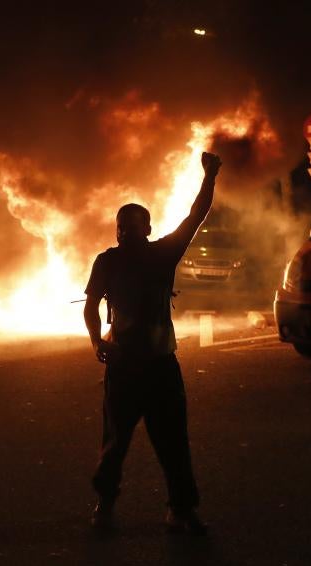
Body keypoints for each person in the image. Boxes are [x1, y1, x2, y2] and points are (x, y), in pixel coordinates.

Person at [83, 151, 222, 535]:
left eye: (132, 225)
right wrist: (97, 341)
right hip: (125, 366)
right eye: (121, 226)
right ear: (116, 231)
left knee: (173, 444)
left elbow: (197, 214)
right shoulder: (107, 262)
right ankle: (106, 504)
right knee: (114, 444)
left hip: (159, 366)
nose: (125, 231)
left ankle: (180, 508)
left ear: (146, 228)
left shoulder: (163, 254)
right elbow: (92, 305)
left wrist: (210, 175)